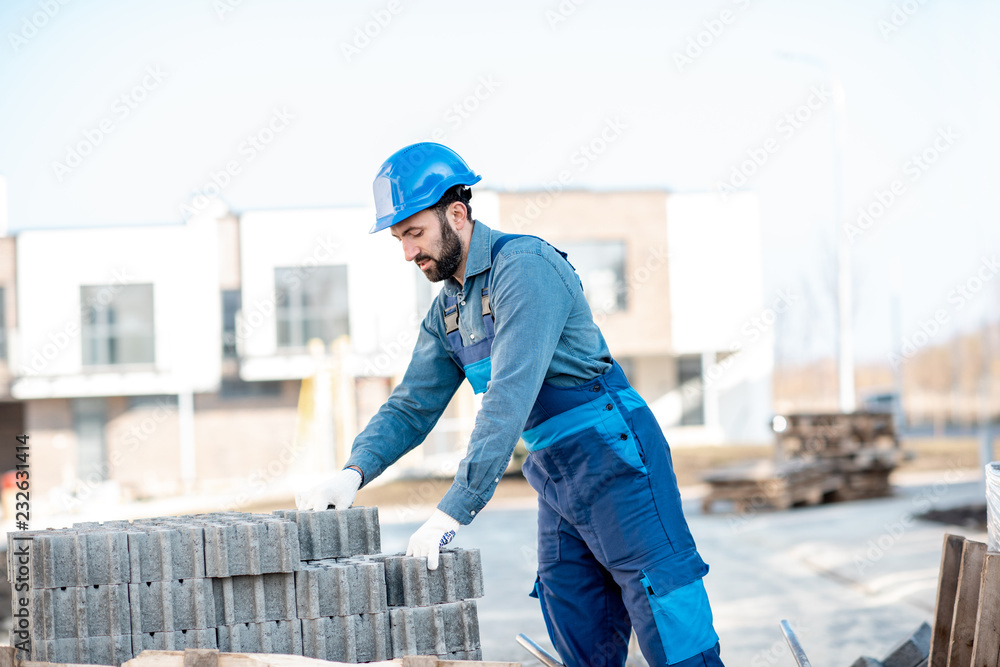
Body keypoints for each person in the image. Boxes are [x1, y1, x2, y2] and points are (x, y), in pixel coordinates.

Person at [296, 142, 724, 667]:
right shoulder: (447, 311)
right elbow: (412, 406)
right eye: (399, 239)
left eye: (415, 234)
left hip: (617, 461)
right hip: (557, 475)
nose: (408, 253)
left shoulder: (524, 268)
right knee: (576, 620)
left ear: (456, 214)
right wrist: (354, 472)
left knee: (666, 613)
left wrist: (456, 507)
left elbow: (510, 396)